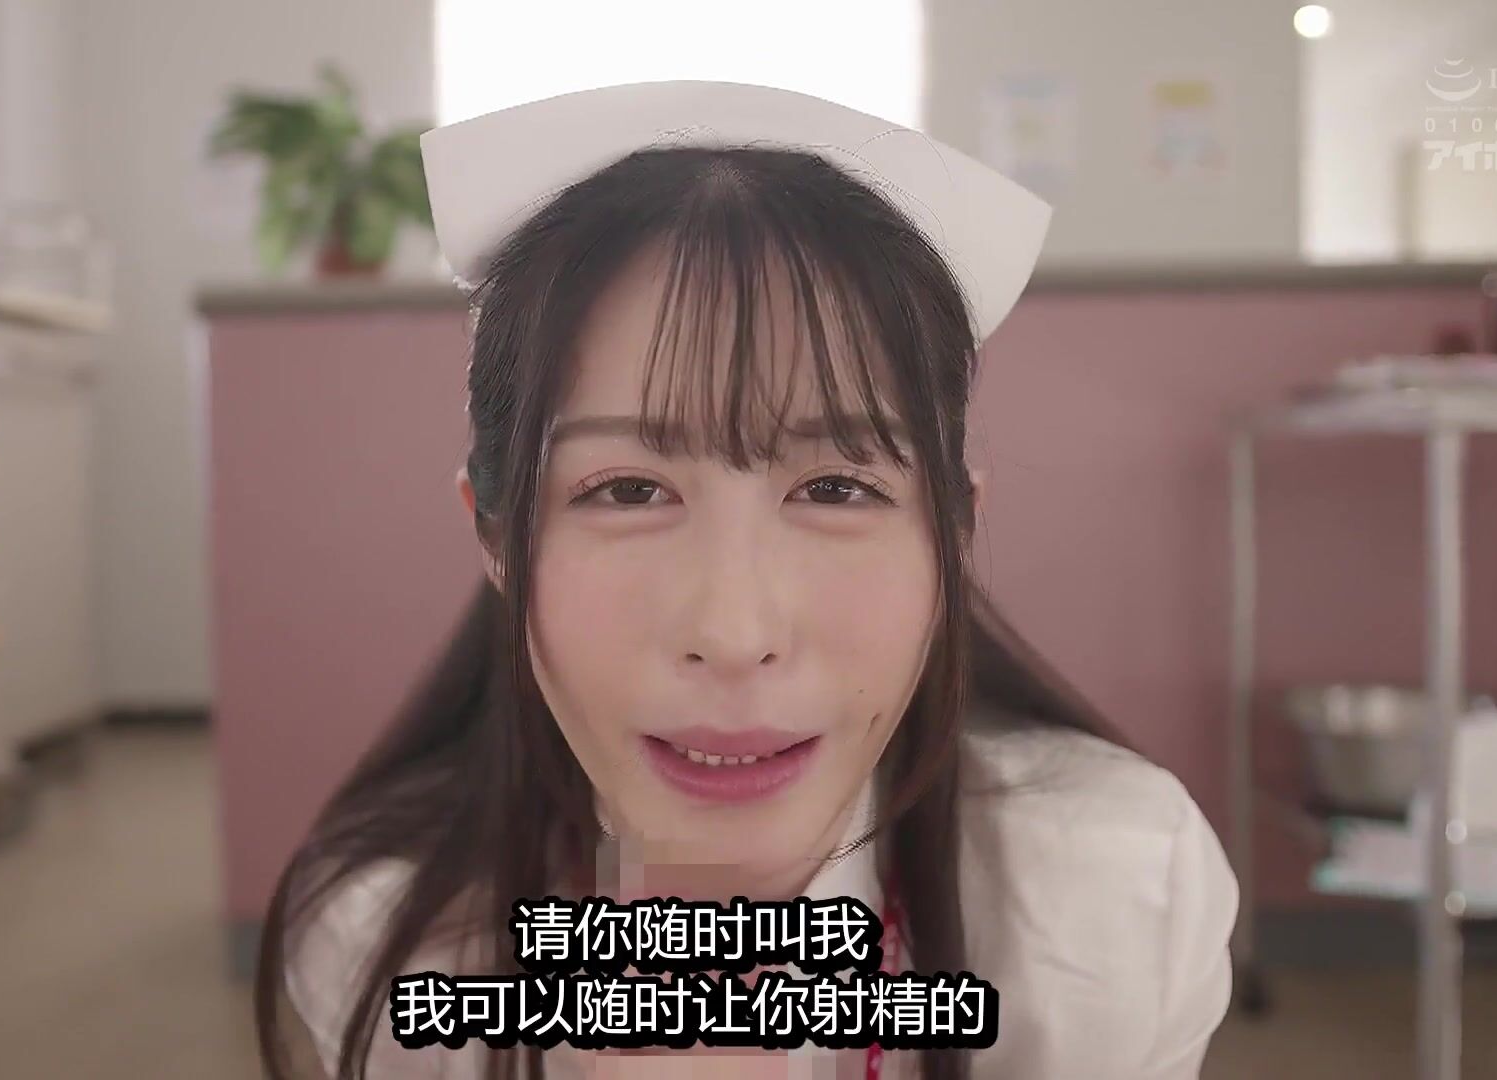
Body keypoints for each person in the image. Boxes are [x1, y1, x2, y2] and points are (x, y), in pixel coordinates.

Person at [254, 80, 1238, 1080]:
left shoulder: (1115, 898)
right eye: (628, 490)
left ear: (955, 528)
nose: (734, 633)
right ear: (497, 534)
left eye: (837, 488)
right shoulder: (387, 936)